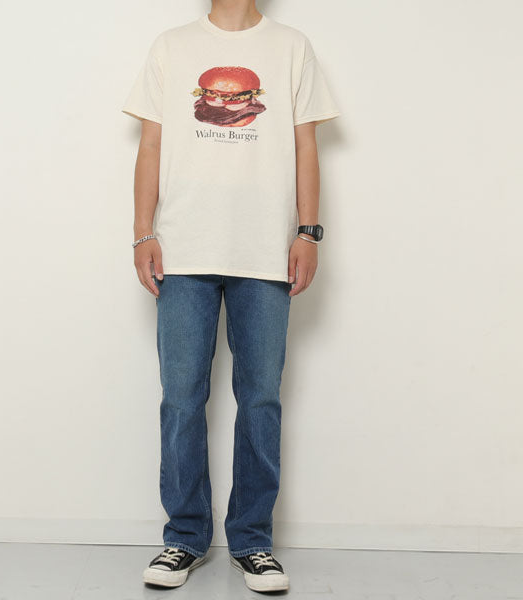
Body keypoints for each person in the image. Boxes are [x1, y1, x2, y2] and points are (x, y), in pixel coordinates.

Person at [121, 0, 340, 592]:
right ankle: (184, 537)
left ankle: (252, 541)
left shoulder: (291, 46)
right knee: (181, 399)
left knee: (260, 399)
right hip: (183, 249)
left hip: (265, 250)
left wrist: (308, 232)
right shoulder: (171, 46)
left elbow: (305, 146)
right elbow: (150, 145)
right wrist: (143, 232)